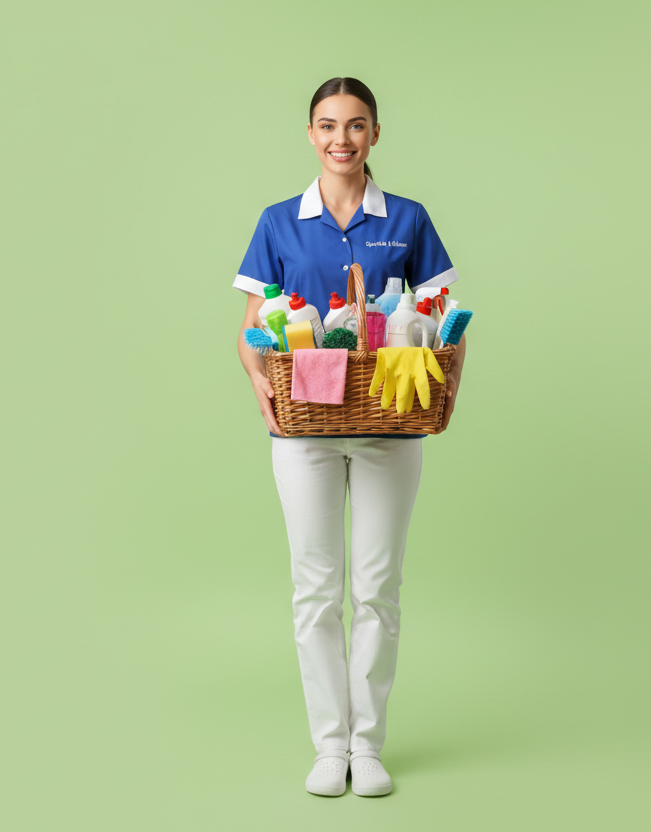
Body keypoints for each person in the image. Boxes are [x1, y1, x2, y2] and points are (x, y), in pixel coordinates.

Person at [232, 77, 467, 797]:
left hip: (390, 429)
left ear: (374, 134)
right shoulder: (278, 221)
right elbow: (251, 331)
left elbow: (443, 316)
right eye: (328, 125)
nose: (342, 139)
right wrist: (262, 389)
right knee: (315, 588)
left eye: (356, 125)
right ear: (310, 134)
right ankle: (328, 745)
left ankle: (368, 746)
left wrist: (443, 387)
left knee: (376, 588)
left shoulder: (409, 219)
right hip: (303, 431)